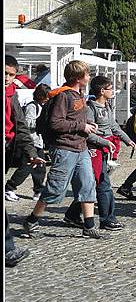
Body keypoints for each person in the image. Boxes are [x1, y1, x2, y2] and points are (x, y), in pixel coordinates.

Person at [22, 60, 102, 239]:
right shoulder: (64, 96)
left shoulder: (79, 94)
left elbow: (74, 120)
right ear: (78, 78)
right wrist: (81, 126)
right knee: (55, 188)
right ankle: (32, 221)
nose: (89, 78)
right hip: (65, 149)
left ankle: (89, 226)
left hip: (81, 148)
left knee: (88, 185)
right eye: (87, 75)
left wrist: (87, 125)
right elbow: (56, 123)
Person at [63, 75, 136, 231]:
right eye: (110, 89)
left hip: (104, 149)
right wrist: (104, 142)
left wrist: (127, 140)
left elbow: (113, 126)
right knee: (103, 185)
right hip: (93, 151)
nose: (113, 92)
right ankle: (107, 219)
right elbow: (88, 133)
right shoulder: (90, 108)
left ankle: (72, 214)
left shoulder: (107, 106)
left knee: (93, 185)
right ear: (102, 91)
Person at [5, 55, 46, 265]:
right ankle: (7, 250)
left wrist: (32, 153)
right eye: (4, 73)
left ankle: (7, 250)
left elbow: (20, 127)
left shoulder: (12, 96)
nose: (7, 78)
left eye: (11, 75)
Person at [5, 83, 51, 202]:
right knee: (26, 167)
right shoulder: (32, 106)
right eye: (46, 96)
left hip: (37, 142)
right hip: (31, 141)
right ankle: (10, 187)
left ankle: (38, 190)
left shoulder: (40, 106)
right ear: (41, 96)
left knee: (40, 167)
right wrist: (42, 123)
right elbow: (26, 123)